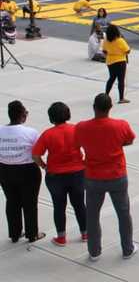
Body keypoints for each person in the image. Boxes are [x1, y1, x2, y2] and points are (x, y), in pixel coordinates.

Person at [75, 94, 136, 261]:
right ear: (110, 108)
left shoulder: (81, 127)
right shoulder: (120, 125)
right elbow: (130, 140)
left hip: (93, 177)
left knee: (93, 215)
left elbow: (77, 144)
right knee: (123, 213)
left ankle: (94, 251)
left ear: (94, 107)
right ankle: (127, 249)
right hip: (117, 175)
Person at [31, 102, 87, 247]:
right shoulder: (76, 130)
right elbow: (90, 147)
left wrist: (44, 165)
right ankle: (85, 233)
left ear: (51, 117)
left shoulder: (48, 134)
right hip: (77, 173)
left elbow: (36, 155)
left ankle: (61, 237)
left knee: (59, 206)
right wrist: (85, 163)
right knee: (80, 204)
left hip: (55, 175)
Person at [0, 101, 44, 243]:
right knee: (30, 203)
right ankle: (32, 234)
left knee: (12, 201)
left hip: (5, 170)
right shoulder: (30, 132)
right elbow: (37, 153)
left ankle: (14, 233)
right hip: (27, 171)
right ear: (22, 115)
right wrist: (43, 166)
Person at [103, 24, 131, 104]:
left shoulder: (106, 40)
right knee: (121, 80)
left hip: (110, 61)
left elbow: (104, 51)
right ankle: (121, 98)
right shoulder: (120, 40)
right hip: (120, 61)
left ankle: (106, 95)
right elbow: (128, 51)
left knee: (111, 78)